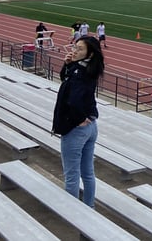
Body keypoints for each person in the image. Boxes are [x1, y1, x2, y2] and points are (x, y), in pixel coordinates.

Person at [51, 35, 105, 208]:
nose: (74, 51)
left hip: (76, 129)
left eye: (79, 49)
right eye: (74, 47)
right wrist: (68, 65)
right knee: (87, 173)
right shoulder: (88, 68)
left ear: (90, 53)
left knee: (72, 175)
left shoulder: (81, 73)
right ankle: (89, 207)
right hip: (91, 127)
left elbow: (73, 99)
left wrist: (78, 119)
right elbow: (66, 81)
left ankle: (74, 214)